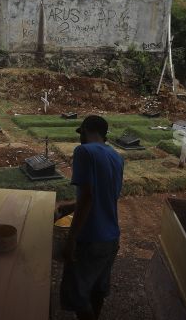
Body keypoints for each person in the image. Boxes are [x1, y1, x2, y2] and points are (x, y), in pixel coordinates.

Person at [56, 115, 124, 320]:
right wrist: (69, 207)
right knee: (97, 290)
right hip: (111, 237)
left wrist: (71, 239)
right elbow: (104, 196)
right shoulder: (117, 157)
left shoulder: (84, 151)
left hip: (90, 238)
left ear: (85, 130)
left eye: (81, 133)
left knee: (77, 294)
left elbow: (87, 197)